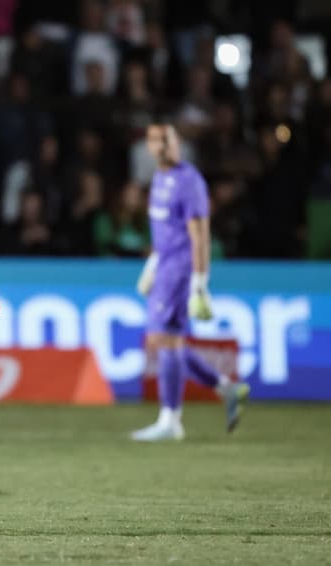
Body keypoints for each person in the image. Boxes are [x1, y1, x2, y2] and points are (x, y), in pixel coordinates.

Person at [130, 122, 249, 442]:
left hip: (181, 269)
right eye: (156, 141)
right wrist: (152, 265)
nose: (163, 147)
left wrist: (199, 282)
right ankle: (227, 388)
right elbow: (164, 233)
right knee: (169, 341)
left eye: (168, 141)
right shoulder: (159, 178)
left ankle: (171, 420)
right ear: (150, 148)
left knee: (162, 338)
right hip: (165, 265)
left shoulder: (189, 181)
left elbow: (200, 236)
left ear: (177, 144)